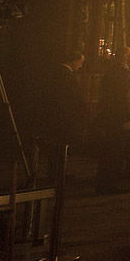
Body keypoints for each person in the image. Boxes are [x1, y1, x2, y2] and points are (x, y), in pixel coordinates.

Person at [41, 49, 88, 202]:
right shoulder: (65, 75)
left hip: (58, 117)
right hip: (63, 118)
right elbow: (70, 97)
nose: (81, 66)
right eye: (80, 62)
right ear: (73, 61)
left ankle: (56, 172)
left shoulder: (57, 73)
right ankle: (57, 174)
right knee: (61, 145)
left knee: (58, 145)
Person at [93, 46, 130, 195]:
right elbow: (124, 96)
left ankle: (102, 184)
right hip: (119, 118)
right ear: (125, 56)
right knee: (115, 153)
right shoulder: (124, 73)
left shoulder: (110, 71)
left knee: (106, 153)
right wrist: (129, 116)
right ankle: (110, 185)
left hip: (107, 116)